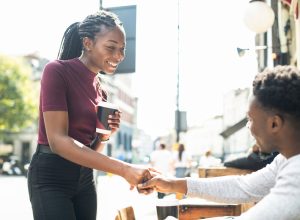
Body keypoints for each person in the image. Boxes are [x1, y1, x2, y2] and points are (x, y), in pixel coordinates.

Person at [27, 10, 152, 220]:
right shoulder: (56, 71)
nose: (119, 56)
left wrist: (105, 134)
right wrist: (124, 169)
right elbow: (58, 141)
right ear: (88, 43)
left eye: (121, 49)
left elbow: (91, 150)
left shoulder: (101, 90)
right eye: (111, 47)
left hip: (84, 178)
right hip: (51, 177)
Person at [139, 65, 300, 219]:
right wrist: (172, 184)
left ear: (274, 124)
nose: (248, 127)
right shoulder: (287, 159)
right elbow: (243, 187)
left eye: (251, 119)